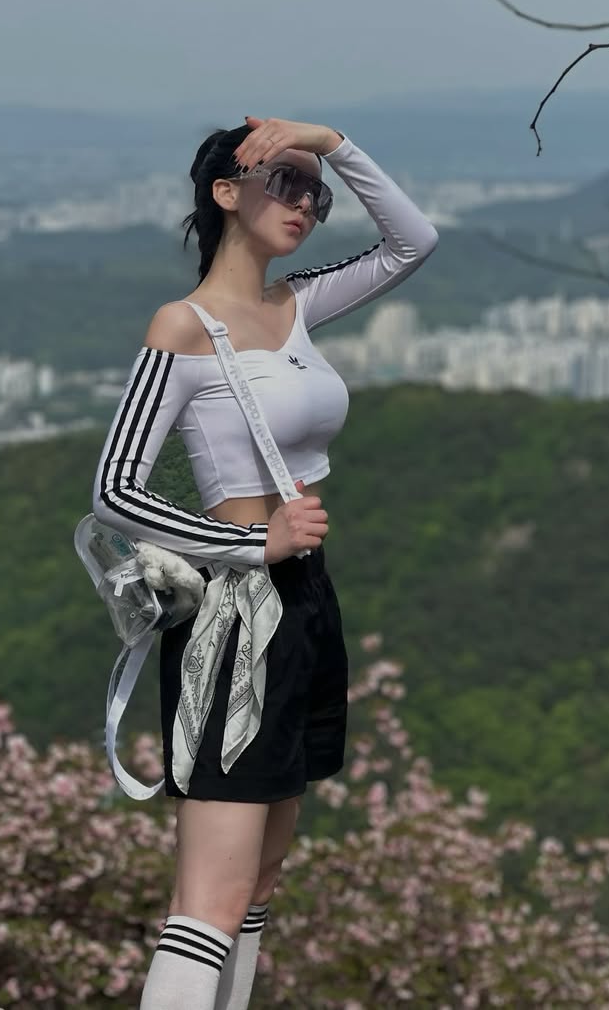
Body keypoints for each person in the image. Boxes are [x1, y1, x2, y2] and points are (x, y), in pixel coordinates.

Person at [91, 114, 439, 1009]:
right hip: (233, 617)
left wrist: (332, 143)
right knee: (208, 900)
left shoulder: (296, 306)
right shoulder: (183, 326)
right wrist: (254, 543)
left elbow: (412, 242)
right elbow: (115, 489)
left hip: (307, 602)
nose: (306, 205)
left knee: (258, 885)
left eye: (316, 195)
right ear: (225, 192)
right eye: (284, 184)